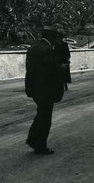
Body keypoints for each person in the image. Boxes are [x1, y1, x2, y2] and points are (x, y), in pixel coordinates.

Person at [25, 25, 65, 155]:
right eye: (56, 37)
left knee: (41, 114)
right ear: (51, 37)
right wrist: (61, 68)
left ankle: (33, 140)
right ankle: (40, 146)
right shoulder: (47, 50)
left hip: (35, 88)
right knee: (45, 118)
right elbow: (52, 72)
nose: (57, 39)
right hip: (46, 90)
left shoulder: (33, 48)